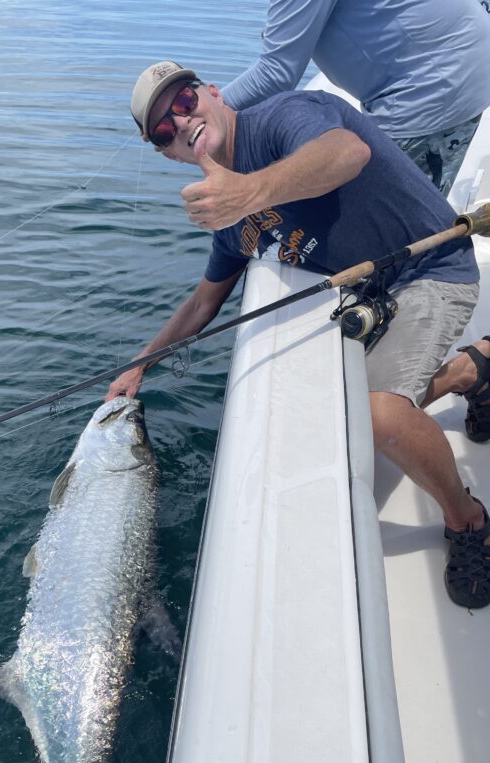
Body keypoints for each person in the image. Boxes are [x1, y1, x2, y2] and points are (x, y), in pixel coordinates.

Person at [107, 61, 490, 608]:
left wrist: (249, 192)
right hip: (374, 296)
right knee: (329, 419)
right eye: (164, 130)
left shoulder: (283, 117)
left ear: (212, 93)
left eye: (185, 101)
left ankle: (468, 521)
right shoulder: (231, 217)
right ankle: (472, 371)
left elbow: (345, 153)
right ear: (168, 153)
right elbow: (204, 301)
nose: (180, 121)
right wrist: (141, 363)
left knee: (377, 415)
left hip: (429, 270)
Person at [219, 0, 490, 196]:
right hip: (457, 65)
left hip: (431, 88)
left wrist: (202, 110)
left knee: (382, 224)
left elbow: (276, 73)